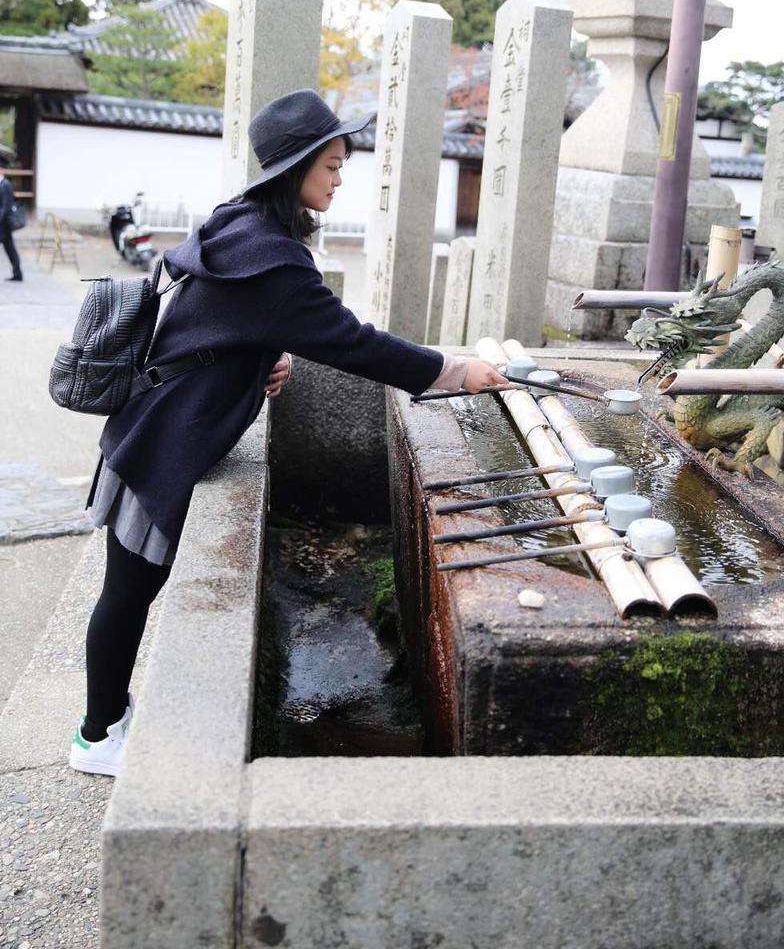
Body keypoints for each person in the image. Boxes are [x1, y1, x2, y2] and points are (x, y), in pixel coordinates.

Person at [69, 88, 505, 776]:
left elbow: (218, 318)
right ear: (294, 168)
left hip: (153, 422)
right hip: (162, 441)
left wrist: (264, 354)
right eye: (331, 164)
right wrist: (458, 369)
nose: (339, 177)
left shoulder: (238, 226)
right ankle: (95, 736)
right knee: (127, 594)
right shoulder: (276, 261)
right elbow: (357, 345)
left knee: (127, 591)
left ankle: (105, 720)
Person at [0, 169, 23, 282]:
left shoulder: (6, 185)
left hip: (4, 225)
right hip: (3, 225)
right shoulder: (2, 184)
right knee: (10, 249)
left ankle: (17, 273)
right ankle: (17, 273)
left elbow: (6, 205)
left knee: (10, 249)